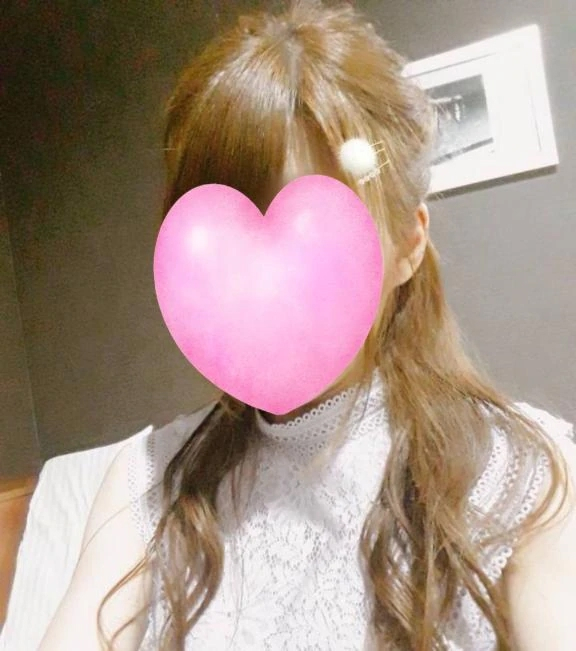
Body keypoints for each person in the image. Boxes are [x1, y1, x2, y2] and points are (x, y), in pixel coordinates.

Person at [38, 2, 576, 649]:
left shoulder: (520, 476)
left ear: (408, 243)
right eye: (227, 235)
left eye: (314, 231)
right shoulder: (148, 479)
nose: (261, 278)